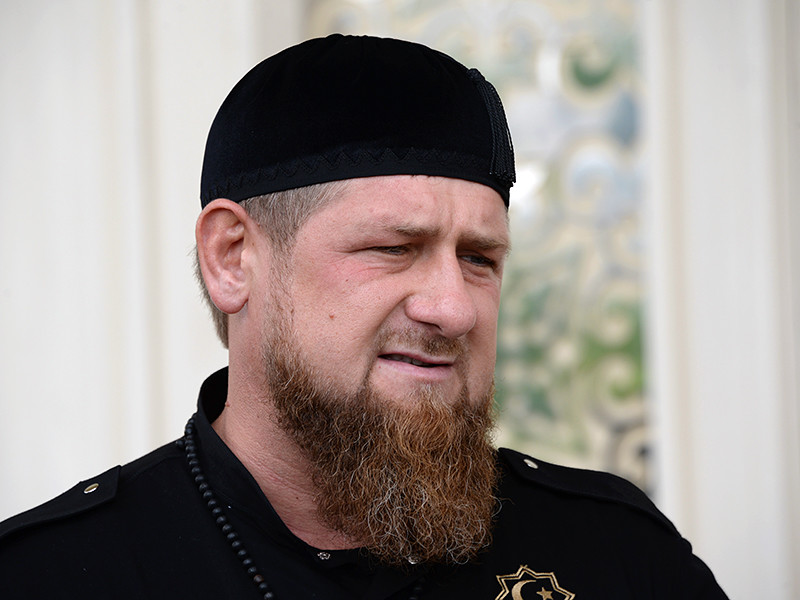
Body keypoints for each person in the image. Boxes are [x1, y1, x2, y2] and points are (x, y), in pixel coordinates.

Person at [0, 34, 728, 599]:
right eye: (393, 248)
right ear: (232, 258)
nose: (453, 308)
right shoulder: (53, 576)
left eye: (479, 258)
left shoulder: (612, 554)